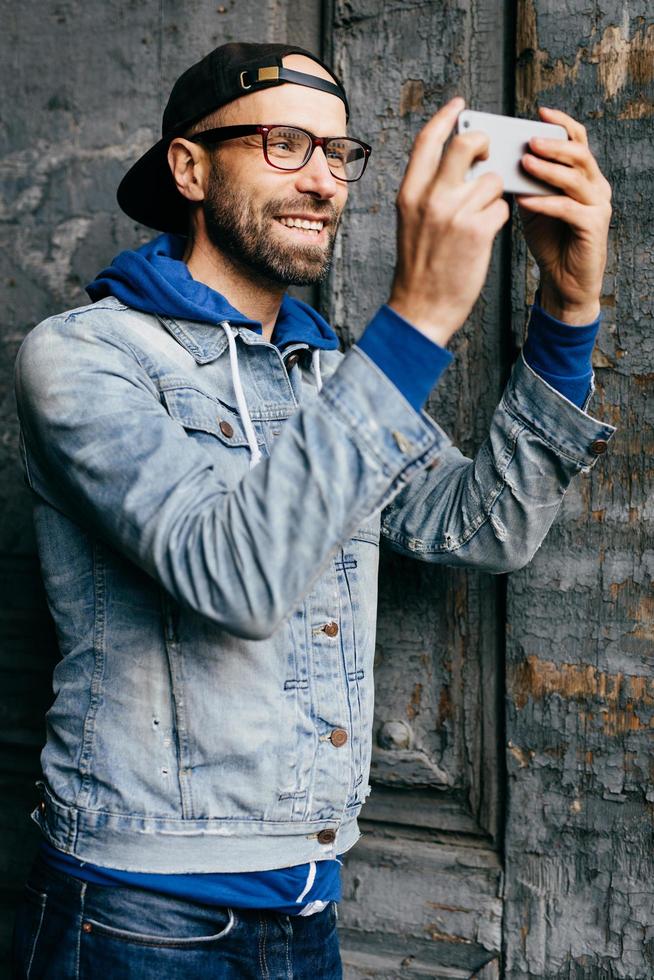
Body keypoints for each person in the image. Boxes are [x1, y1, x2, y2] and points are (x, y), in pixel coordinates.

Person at [11, 40, 614, 980]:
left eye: (339, 154)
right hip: (139, 921)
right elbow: (232, 577)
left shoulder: (329, 376)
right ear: (190, 167)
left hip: (311, 914)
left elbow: (484, 524)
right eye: (286, 144)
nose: (325, 180)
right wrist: (416, 320)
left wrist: (568, 311)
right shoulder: (85, 359)